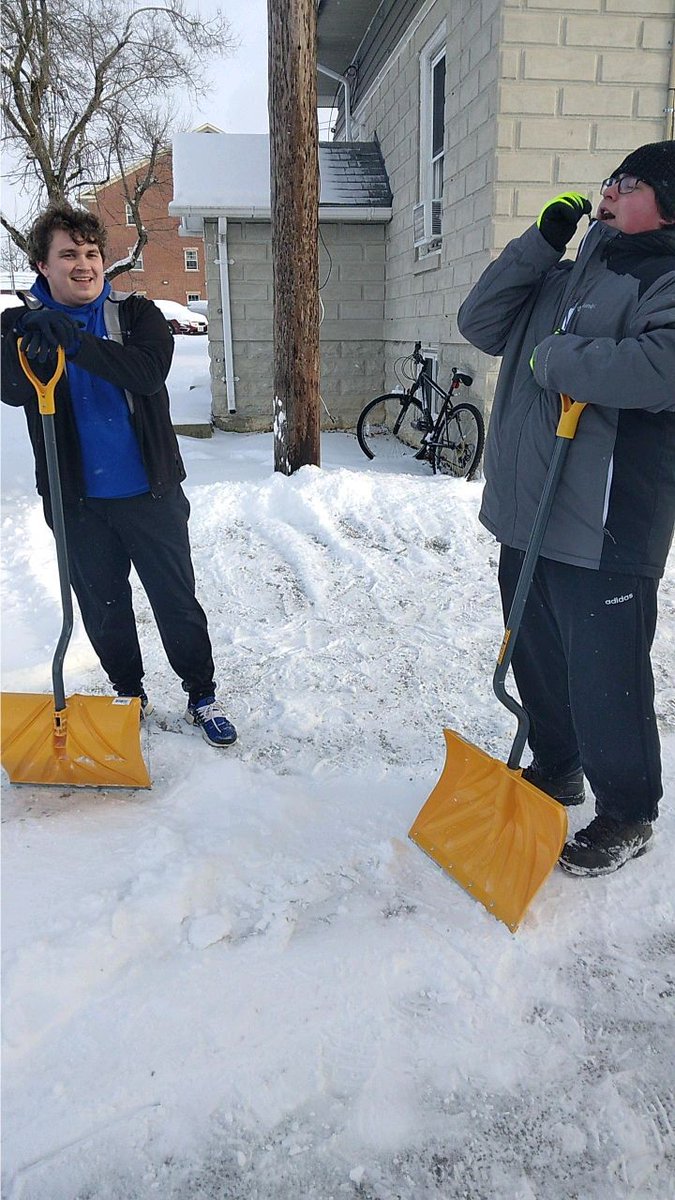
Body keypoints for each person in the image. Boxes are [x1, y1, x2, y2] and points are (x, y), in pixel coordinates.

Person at [457, 140, 675, 876]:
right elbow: (480, 323)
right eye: (611, 177)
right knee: (535, 655)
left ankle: (626, 811)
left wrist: (555, 359)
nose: (610, 189)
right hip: (529, 511)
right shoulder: (558, 275)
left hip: (606, 523)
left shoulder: (665, 278)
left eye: (632, 182)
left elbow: (657, 367)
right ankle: (557, 767)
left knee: (604, 673)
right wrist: (539, 242)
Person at [1, 202, 237, 748]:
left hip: (149, 491)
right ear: (43, 265)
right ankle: (128, 692)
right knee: (103, 606)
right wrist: (24, 343)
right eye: (68, 254)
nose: (83, 265)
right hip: (75, 500)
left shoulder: (137, 315)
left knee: (175, 601)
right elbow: (12, 391)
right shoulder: (19, 325)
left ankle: (202, 693)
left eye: (91, 253)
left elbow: (148, 374)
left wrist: (76, 343)